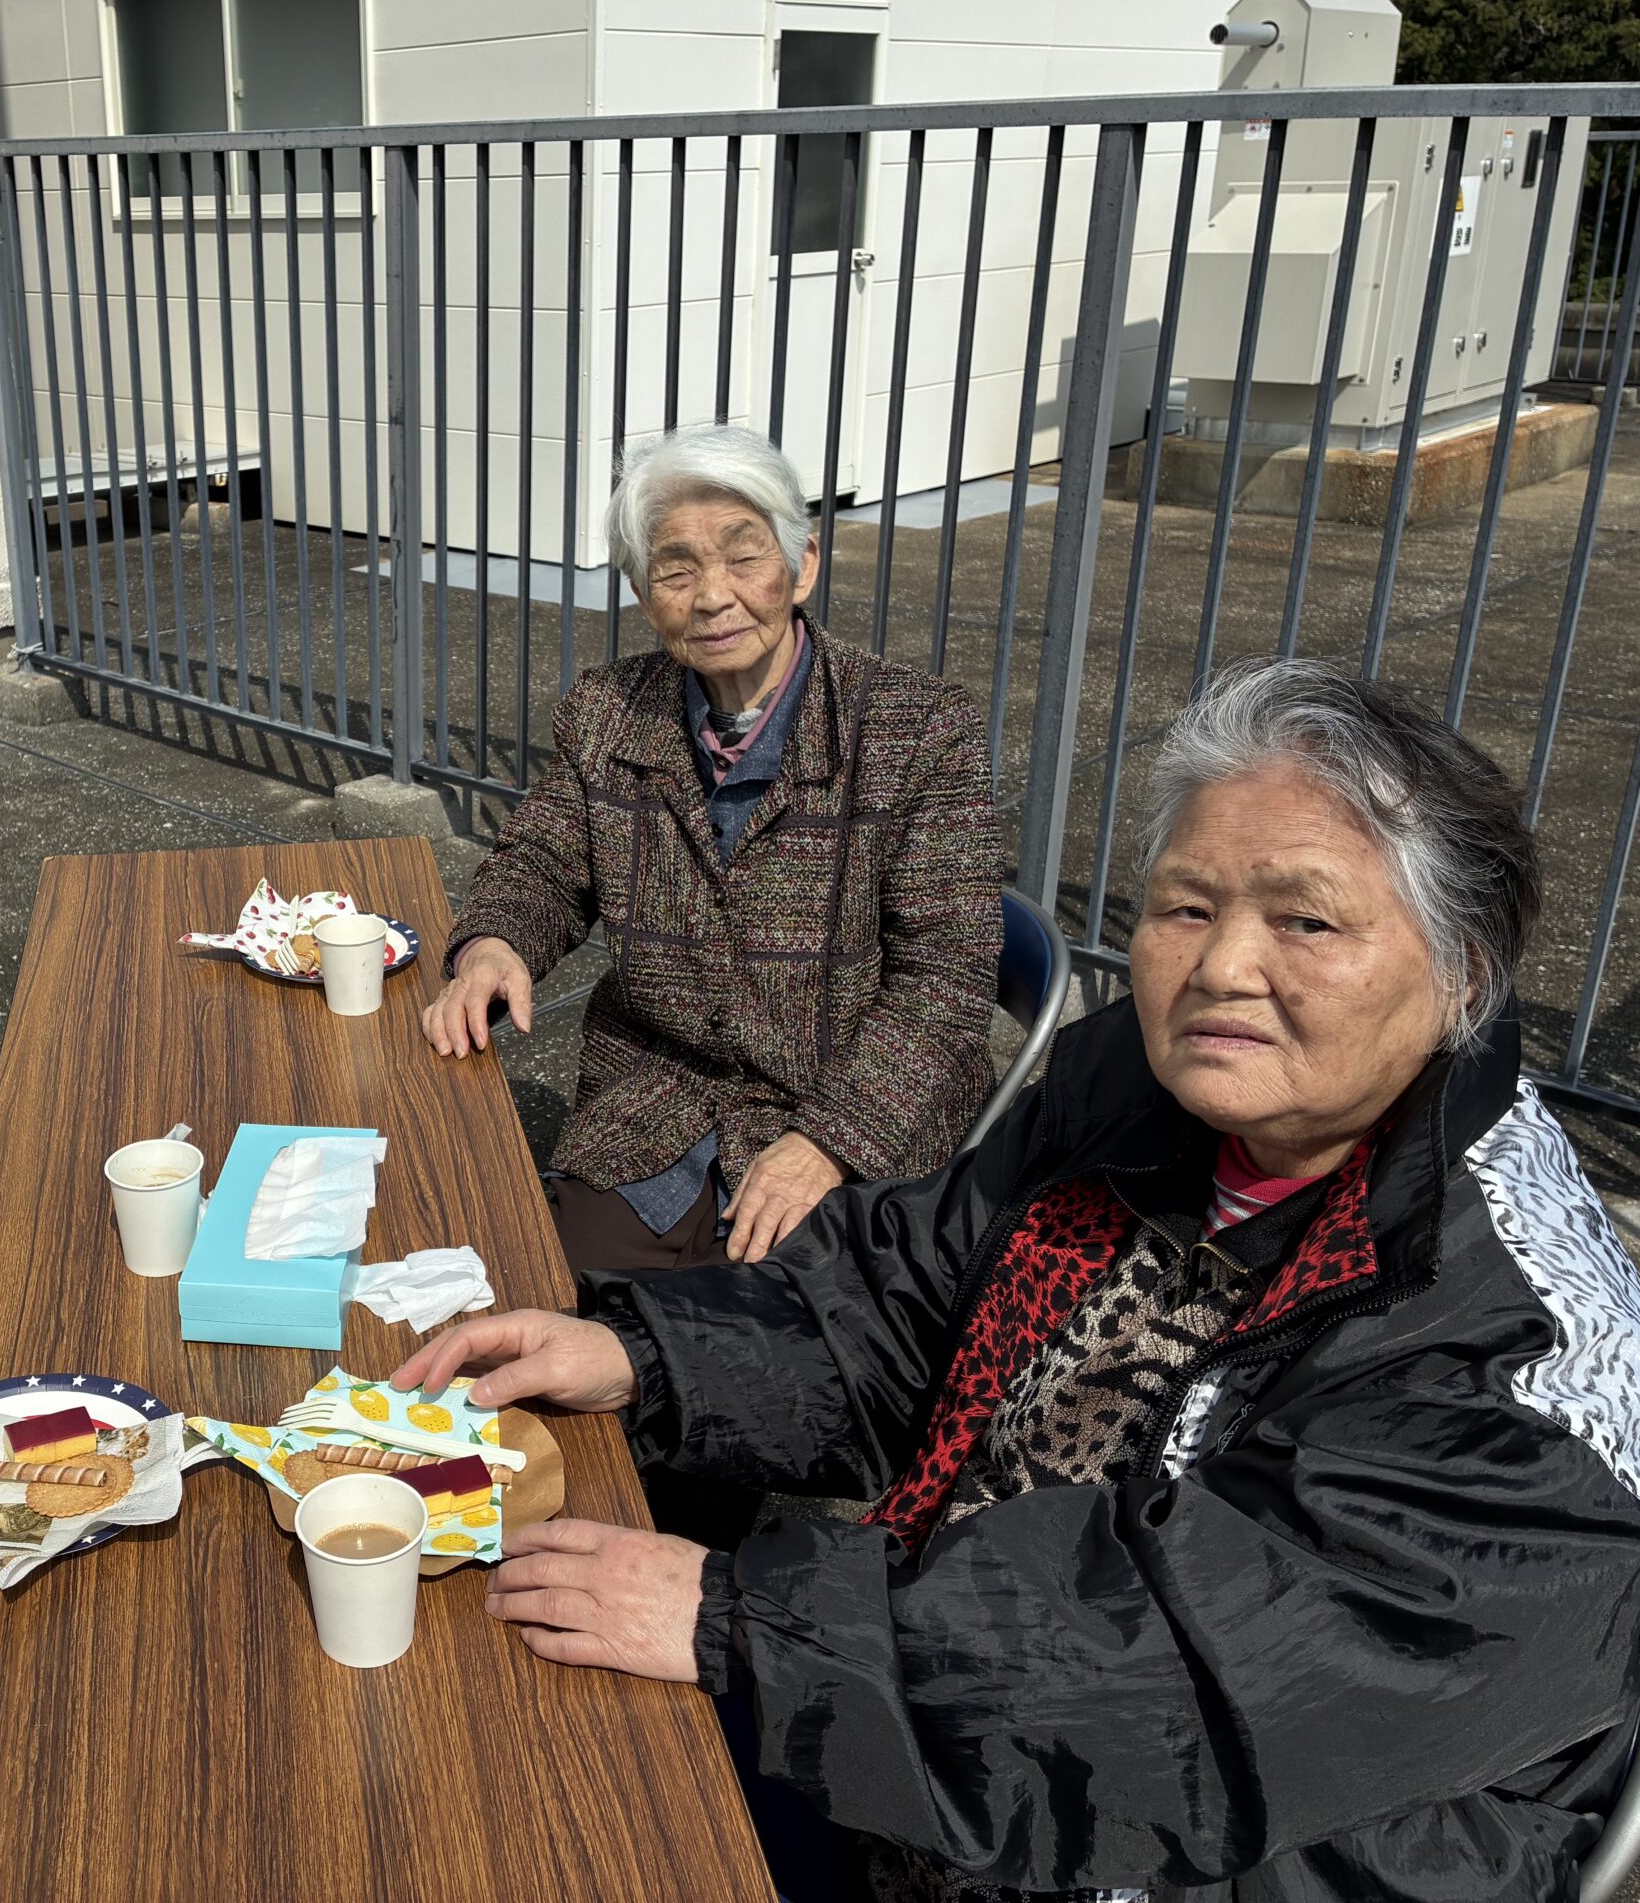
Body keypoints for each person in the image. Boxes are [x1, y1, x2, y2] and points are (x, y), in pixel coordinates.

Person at [400, 660, 1640, 1901]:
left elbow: (1187, 1689)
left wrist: (748, 1621)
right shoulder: (1144, 1090)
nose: (1220, 968)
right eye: (1185, 906)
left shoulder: (1520, 1363)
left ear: (1462, 972)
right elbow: (905, 1298)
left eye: (1305, 922)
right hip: (945, 1705)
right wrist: (645, 1352)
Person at [424, 425, 1002, 1276]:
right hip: (657, 1105)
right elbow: (543, 861)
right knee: (549, 1292)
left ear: (801, 566)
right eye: (677, 570)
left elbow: (947, 979)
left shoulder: (919, 731)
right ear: (641, 591)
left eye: (744, 556)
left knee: (770, 1333)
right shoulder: (608, 711)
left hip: (847, 1113)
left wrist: (828, 1141)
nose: (713, 597)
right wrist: (493, 944)